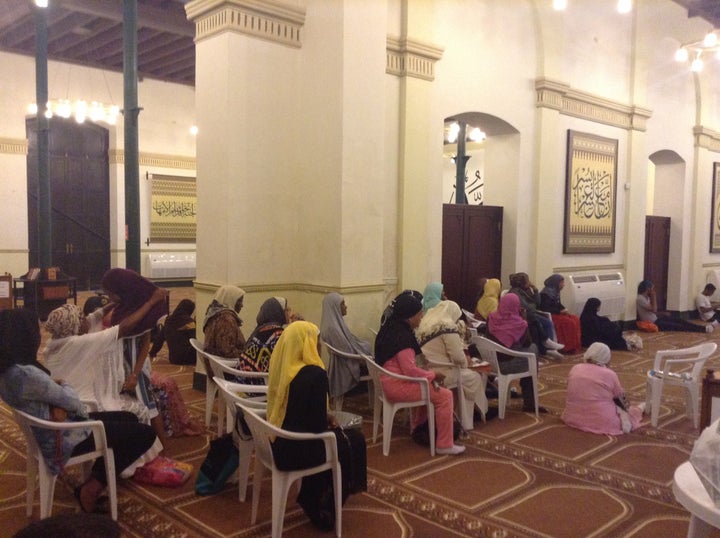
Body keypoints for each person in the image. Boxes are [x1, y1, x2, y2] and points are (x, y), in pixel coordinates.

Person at [0, 309, 161, 514]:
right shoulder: (27, 374)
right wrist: (63, 383)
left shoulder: (8, 371)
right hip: (64, 436)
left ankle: (95, 479)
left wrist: (56, 386)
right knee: (145, 434)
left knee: (129, 417)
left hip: (49, 429)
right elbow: (73, 401)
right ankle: (92, 487)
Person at [267, 321, 367, 531]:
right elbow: (316, 429)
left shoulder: (283, 366)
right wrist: (328, 421)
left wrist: (325, 416)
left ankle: (314, 493)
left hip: (275, 442)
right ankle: (323, 503)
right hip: (298, 450)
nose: (319, 345)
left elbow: (295, 408)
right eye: (316, 340)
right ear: (307, 344)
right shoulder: (315, 374)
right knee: (353, 441)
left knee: (342, 439)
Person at [44, 288, 169, 423]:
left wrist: (115, 303)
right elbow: (122, 329)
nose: (87, 319)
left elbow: (96, 316)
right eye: (82, 319)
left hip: (65, 399)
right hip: (83, 404)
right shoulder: (78, 344)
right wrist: (150, 302)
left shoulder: (54, 342)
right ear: (75, 326)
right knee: (138, 410)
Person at [374, 291, 465, 455]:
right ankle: (444, 444)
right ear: (409, 317)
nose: (422, 316)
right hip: (397, 386)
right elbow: (410, 370)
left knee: (430, 389)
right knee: (445, 396)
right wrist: (433, 375)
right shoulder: (403, 337)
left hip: (388, 382)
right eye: (419, 313)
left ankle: (417, 428)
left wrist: (428, 376)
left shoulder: (390, 329)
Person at [416, 300, 487, 429]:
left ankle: (461, 414)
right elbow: (458, 357)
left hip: (426, 370)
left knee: (466, 377)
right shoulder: (447, 327)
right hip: (442, 374)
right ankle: (470, 418)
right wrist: (468, 363)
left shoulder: (425, 325)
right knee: (473, 377)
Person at [561, 342, 643, 434]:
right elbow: (620, 398)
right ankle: (644, 406)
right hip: (601, 421)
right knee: (632, 412)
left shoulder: (575, 368)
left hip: (572, 417)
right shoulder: (609, 374)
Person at [487, 293, 546, 413]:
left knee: (531, 354)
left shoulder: (492, 317)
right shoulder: (519, 323)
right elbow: (527, 343)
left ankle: (529, 400)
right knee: (533, 353)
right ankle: (530, 402)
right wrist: (524, 319)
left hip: (490, 362)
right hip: (506, 364)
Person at [319, 292, 372, 404]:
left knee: (367, 347)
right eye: (342, 304)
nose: (345, 306)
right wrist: (365, 354)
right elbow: (347, 350)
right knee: (380, 368)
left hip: (346, 360)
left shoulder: (334, 324)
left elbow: (349, 343)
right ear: (335, 307)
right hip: (345, 366)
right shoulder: (332, 329)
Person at [508, 272, 564, 359]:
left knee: (547, 323)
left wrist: (535, 290)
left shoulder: (527, 291)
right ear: (522, 282)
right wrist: (533, 305)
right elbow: (527, 307)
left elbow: (538, 303)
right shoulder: (514, 293)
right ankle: (544, 346)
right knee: (534, 326)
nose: (529, 282)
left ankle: (547, 346)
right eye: (527, 280)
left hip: (531, 314)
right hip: (521, 316)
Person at [235, 297, 287, 384]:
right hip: (253, 386)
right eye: (286, 310)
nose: (290, 313)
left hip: (241, 380)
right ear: (279, 312)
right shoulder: (277, 334)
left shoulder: (262, 329)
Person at [637, 280, 710, 333]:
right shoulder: (640, 298)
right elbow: (654, 309)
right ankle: (702, 330)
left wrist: (662, 313)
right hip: (653, 323)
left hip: (657, 319)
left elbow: (652, 313)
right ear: (648, 289)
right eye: (652, 289)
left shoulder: (647, 298)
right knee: (678, 326)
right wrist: (654, 296)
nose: (653, 290)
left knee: (679, 320)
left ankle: (704, 328)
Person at [539, 273, 582, 354]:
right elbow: (546, 308)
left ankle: (575, 345)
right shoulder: (545, 294)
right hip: (550, 315)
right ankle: (567, 347)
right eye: (561, 283)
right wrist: (560, 311)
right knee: (569, 322)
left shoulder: (555, 292)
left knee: (575, 319)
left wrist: (564, 309)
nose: (563, 285)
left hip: (556, 313)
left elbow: (558, 304)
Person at [202, 285, 247, 357]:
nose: (241, 305)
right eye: (239, 301)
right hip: (224, 363)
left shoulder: (213, 313)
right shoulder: (226, 320)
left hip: (215, 361)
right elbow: (227, 351)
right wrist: (246, 356)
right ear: (230, 300)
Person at [154, 299, 196, 365]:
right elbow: (195, 340)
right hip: (188, 359)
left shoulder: (168, 320)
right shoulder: (189, 323)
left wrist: (152, 352)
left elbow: (160, 339)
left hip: (173, 359)